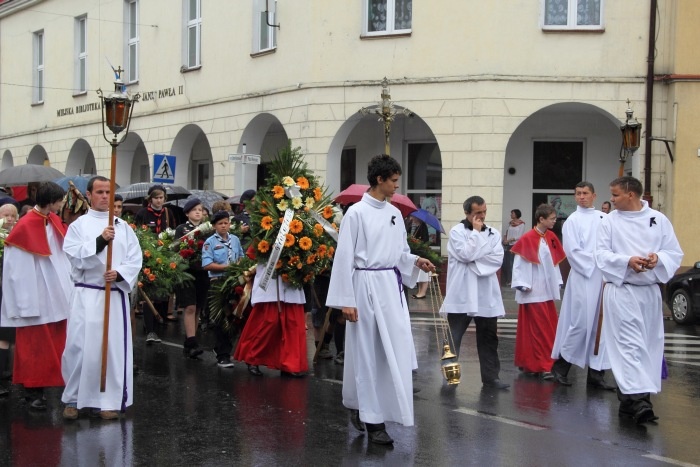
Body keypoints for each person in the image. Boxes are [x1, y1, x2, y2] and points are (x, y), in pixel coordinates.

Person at [326, 154, 436, 445]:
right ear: (379, 180)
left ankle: (363, 405)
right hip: (364, 286)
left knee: (392, 353)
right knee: (366, 352)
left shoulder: (394, 214)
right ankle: (373, 421)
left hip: (391, 287)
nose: (397, 187)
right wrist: (345, 299)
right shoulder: (356, 213)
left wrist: (416, 261)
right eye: (394, 181)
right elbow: (344, 257)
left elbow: (398, 253)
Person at [595, 176, 683, 424]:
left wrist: (658, 259)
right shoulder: (609, 222)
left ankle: (628, 403)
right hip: (622, 290)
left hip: (649, 293)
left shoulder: (658, 220)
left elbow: (674, 252)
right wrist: (626, 261)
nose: (611, 200)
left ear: (631, 195)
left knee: (646, 345)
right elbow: (600, 254)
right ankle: (641, 402)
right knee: (629, 345)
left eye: (615, 195)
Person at [61, 176, 142, 420]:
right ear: (88, 195)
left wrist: (119, 274)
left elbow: (134, 259)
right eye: (99, 192)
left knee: (111, 349)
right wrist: (99, 241)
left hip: (112, 296)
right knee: (80, 348)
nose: (105, 196)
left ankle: (108, 400)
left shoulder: (123, 227)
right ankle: (74, 399)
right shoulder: (79, 226)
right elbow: (73, 256)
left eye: (108, 192)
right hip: (87, 294)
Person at [0, 182, 72, 410]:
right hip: (36, 295)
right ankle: (33, 391)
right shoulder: (25, 226)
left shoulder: (52, 220)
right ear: (51, 201)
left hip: (55, 292)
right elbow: (17, 270)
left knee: (57, 342)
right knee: (34, 346)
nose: (61, 205)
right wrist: (24, 301)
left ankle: (56, 384)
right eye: (60, 200)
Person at [550, 182, 615, 389]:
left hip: (604, 277)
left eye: (585, 193)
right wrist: (597, 262)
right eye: (578, 193)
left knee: (601, 326)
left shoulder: (605, 219)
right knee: (581, 323)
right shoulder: (572, 220)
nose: (581, 197)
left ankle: (596, 374)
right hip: (584, 276)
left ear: (594, 196)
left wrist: (608, 265)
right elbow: (572, 251)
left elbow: (612, 245)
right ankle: (561, 367)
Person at [442, 196, 509, 390]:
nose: (481, 216)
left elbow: (496, 259)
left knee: (488, 338)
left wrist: (474, 260)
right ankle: (450, 378)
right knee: (453, 338)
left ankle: (491, 378)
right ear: (467, 213)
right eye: (477, 213)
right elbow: (465, 254)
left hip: (485, 294)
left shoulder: (494, 233)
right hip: (462, 293)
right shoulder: (456, 232)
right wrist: (476, 235)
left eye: (484, 211)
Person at [511, 203, 565, 380]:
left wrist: (557, 281)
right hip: (533, 289)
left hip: (547, 289)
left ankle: (533, 363)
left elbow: (554, 262)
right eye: (552, 219)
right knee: (538, 329)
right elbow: (519, 263)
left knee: (547, 326)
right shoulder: (527, 238)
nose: (554, 221)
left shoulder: (551, 237)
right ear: (541, 219)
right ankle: (543, 365)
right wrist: (521, 283)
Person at [134, 185, 176, 342]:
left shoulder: (168, 213)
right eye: (156, 197)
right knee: (149, 293)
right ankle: (150, 329)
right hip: (148, 255)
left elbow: (172, 231)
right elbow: (138, 233)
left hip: (164, 255)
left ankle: (159, 323)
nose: (159, 201)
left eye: (161, 198)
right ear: (150, 198)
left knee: (163, 292)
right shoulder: (143, 213)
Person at [203, 211, 244, 368]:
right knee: (221, 319)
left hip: (234, 281)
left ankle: (222, 348)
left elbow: (241, 256)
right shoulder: (210, 242)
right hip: (218, 281)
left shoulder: (235, 239)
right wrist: (228, 267)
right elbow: (207, 264)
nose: (224, 226)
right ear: (214, 226)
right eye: (220, 223)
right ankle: (223, 355)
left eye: (226, 223)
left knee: (234, 317)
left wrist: (239, 264)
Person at [175, 198, 210, 359]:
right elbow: (176, 248)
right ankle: (192, 342)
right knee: (190, 306)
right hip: (186, 272)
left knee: (198, 308)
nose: (198, 212)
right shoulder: (182, 229)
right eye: (195, 209)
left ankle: (190, 340)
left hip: (203, 272)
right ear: (187, 213)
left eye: (201, 209)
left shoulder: (208, 229)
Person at [0, 202, 19, 398]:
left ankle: (12, 373)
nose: (9, 219)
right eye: (6, 215)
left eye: (13, 216)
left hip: (13, 290)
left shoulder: (17, 236)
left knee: (13, 336)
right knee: (4, 336)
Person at [405, 214, 430, 299]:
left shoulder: (422, 226)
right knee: (419, 275)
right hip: (415, 253)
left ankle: (422, 292)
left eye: (412, 217)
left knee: (423, 274)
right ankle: (419, 291)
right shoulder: (412, 225)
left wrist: (417, 242)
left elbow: (425, 239)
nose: (411, 218)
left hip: (422, 253)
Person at [502, 209, 526, 285]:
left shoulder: (522, 224)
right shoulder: (510, 224)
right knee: (506, 263)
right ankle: (509, 280)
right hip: (508, 245)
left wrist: (509, 240)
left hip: (515, 245)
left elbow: (520, 236)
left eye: (512, 213)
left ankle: (513, 281)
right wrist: (505, 239)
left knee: (513, 263)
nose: (511, 215)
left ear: (516, 214)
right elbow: (507, 233)